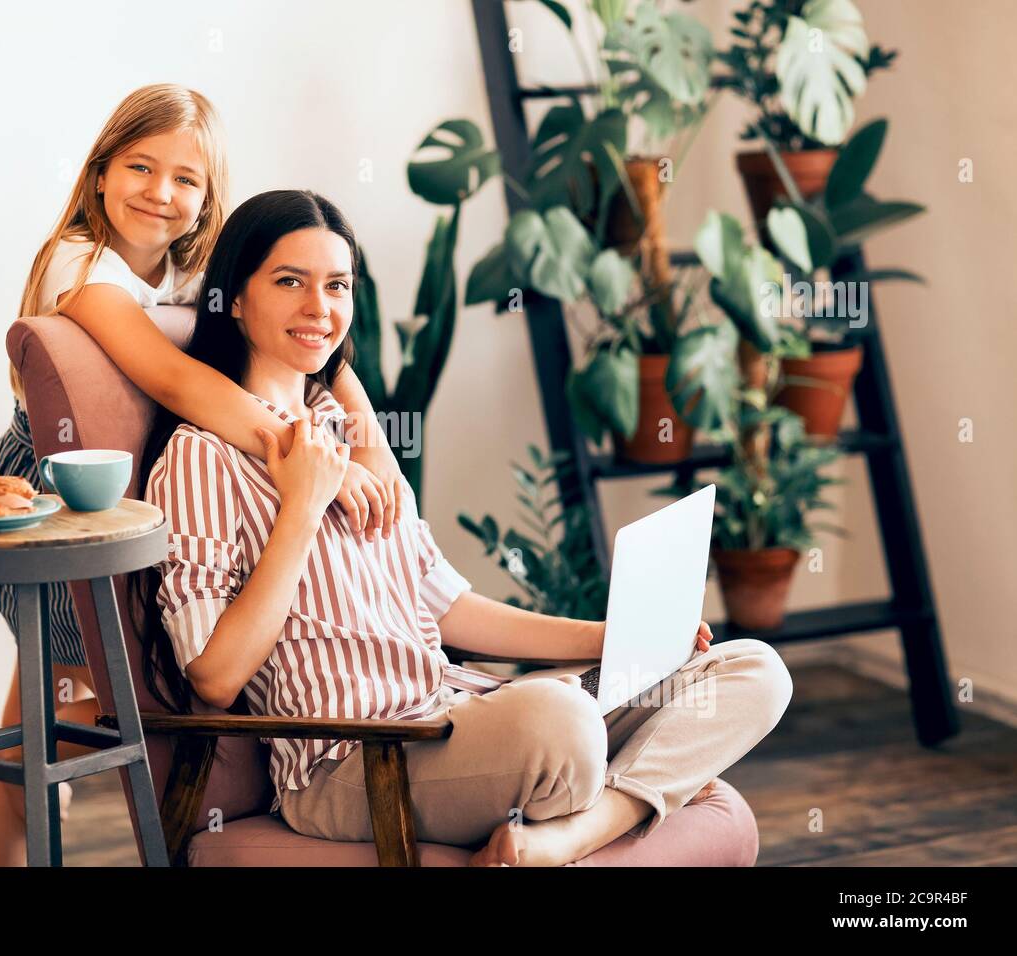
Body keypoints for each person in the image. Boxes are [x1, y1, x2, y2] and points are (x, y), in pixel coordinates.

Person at [131, 188, 795, 866]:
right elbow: (213, 676)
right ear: (234, 299)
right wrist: (300, 509)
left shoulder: (352, 438)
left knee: (751, 671)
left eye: (337, 285)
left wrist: (621, 642)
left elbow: (449, 607)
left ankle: (569, 838)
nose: (319, 308)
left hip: (457, 715)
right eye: (289, 281)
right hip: (356, 766)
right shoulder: (201, 459)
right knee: (559, 723)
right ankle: (594, 805)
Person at [0, 86, 406, 866]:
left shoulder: (192, 265)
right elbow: (177, 381)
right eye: (141, 167)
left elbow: (319, 351)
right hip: (55, 492)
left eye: (186, 179)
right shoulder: (79, 263)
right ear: (100, 171)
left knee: (46, 722)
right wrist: (320, 464)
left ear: (208, 198)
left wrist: (369, 442)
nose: (160, 193)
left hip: (130, 491)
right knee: (49, 724)